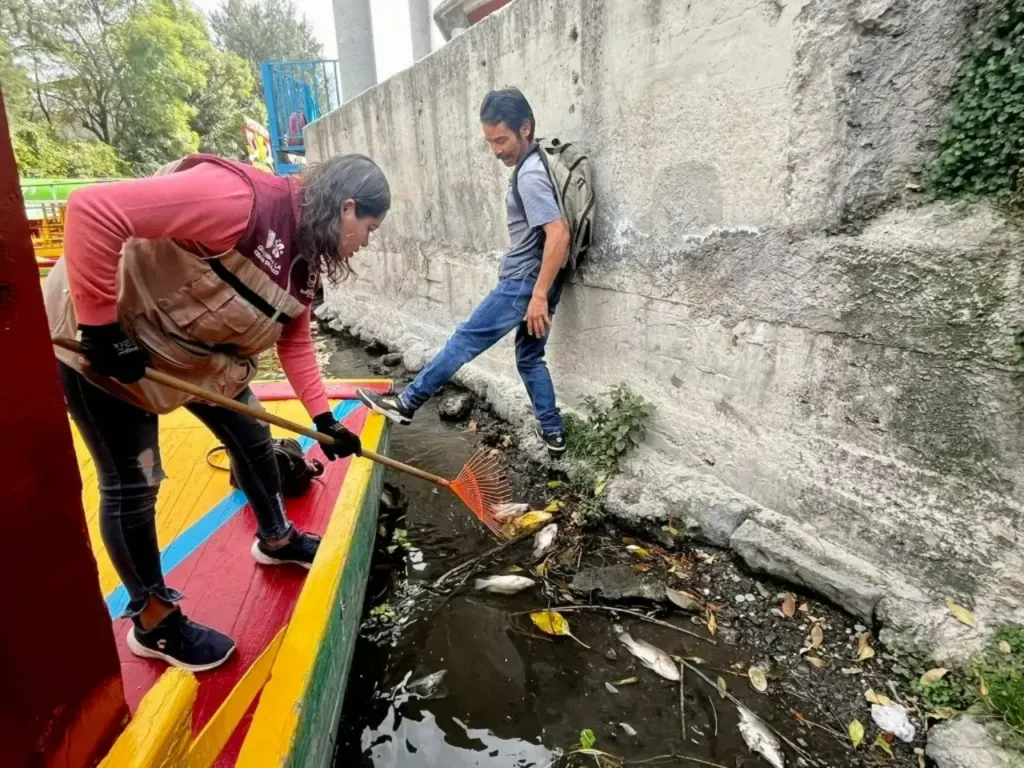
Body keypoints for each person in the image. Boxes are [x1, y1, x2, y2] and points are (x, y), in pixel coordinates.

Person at [45, 153, 390, 671]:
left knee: (252, 438)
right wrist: (100, 328)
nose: (367, 242)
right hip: (103, 347)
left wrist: (324, 422)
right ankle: (155, 622)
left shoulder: (304, 258)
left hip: (192, 354)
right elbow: (93, 209)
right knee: (133, 485)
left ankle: (276, 539)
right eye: (369, 228)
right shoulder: (237, 201)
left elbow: (295, 341)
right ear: (346, 209)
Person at [358, 88, 570, 457]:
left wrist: (536, 295)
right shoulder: (538, 164)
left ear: (526, 128)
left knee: (464, 341)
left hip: (522, 284)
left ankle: (406, 404)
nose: (497, 150)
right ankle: (553, 433)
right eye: (490, 142)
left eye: (501, 140)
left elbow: (559, 233)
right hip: (538, 283)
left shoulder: (530, 176)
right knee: (529, 357)